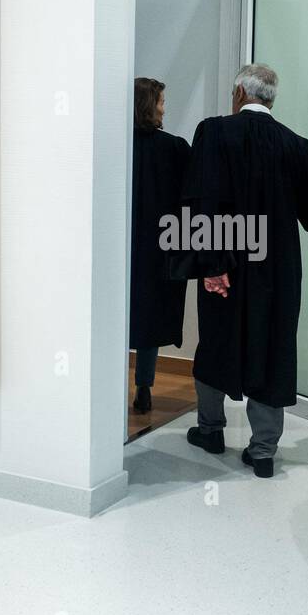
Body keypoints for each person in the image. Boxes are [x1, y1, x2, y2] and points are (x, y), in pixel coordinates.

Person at [174, 64, 308, 478]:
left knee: (216, 342)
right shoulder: (294, 145)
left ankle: (210, 430)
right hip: (277, 272)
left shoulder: (213, 133)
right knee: (273, 347)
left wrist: (211, 264)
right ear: (269, 100)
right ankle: (262, 452)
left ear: (239, 94)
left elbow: (199, 197)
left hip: (224, 266)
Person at [129, 78, 191, 414]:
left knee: (118, 317)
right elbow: (193, 195)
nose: (165, 107)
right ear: (150, 105)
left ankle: (110, 386)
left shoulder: (114, 146)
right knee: (150, 318)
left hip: (120, 247)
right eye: (162, 101)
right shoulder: (175, 148)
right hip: (160, 246)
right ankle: (144, 385)